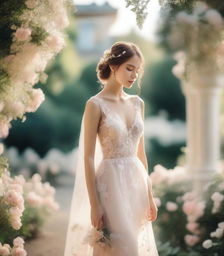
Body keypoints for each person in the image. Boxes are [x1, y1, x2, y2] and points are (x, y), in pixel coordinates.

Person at [64, 41, 159, 256]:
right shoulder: (95, 104)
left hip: (136, 184)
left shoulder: (137, 103)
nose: (134, 75)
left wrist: (150, 195)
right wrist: (94, 203)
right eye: (129, 68)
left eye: (137, 70)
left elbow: (141, 153)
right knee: (122, 246)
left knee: (131, 242)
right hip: (110, 185)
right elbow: (88, 157)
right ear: (114, 66)